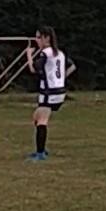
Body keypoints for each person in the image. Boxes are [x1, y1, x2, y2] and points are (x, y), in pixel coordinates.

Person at [24, 26, 75, 161]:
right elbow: (72, 66)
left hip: (49, 92)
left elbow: (33, 69)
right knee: (36, 117)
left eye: (38, 37)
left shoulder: (45, 53)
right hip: (58, 91)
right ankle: (41, 148)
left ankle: (40, 153)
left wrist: (29, 55)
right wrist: (61, 79)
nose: (37, 40)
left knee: (42, 120)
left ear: (47, 38)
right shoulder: (59, 53)